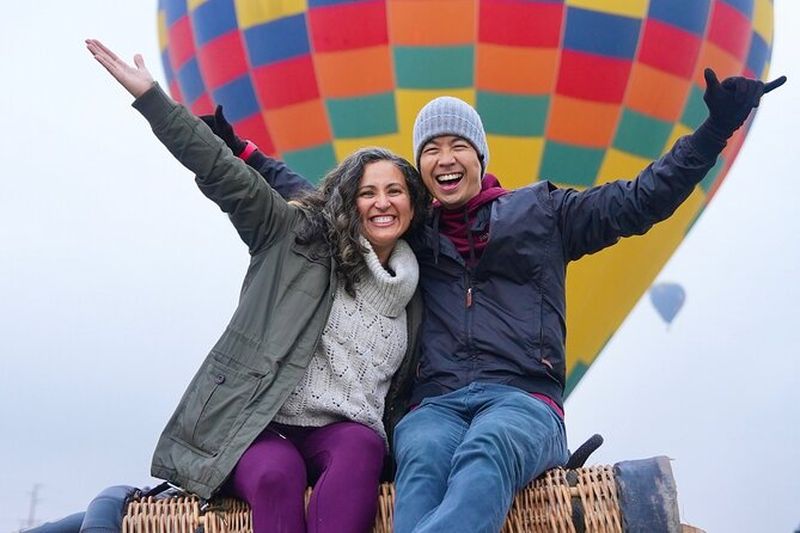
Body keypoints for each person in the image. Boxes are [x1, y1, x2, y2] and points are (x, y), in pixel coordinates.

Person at [202, 65, 786, 532]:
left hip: (524, 400)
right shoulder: (412, 232)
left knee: (487, 449)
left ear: (480, 158)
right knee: (422, 457)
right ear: (421, 171)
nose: (445, 158)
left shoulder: (546, 213)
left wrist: (715, 132)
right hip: (434, 403)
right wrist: (244, 154)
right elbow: (330, 205)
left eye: (458, 145)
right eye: (431, 149)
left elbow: (641, 199)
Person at [85, 38, 431, 533]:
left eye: (394, 191)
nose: (381, 202)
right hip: (258, 423)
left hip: (344, 432)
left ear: (412, 206)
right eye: (366, 192)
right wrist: (154, 102)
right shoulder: (294, 237)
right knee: (276, 475)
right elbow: (224, 172)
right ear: (345, 201)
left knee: (362, 448)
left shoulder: (416, 288)